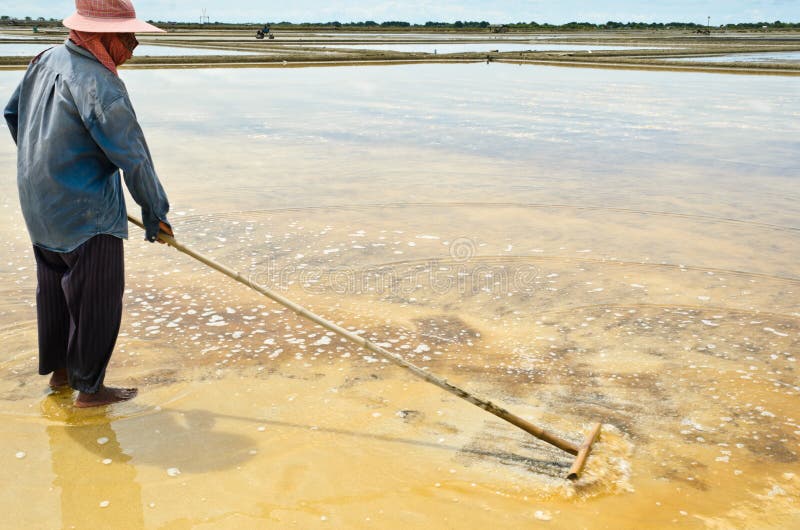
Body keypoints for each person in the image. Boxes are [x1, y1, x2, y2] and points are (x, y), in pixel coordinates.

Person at [4, 0, 173, 407]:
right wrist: (155, 213)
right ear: (99, 37)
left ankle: (61, 376)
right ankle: (91, 391)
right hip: (87, 215)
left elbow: (13, 114)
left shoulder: (44, 59)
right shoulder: (102, 85)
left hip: (40, 205)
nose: (133, 46)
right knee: (97, 298)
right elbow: (133, 157)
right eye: (127, 37)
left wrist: (44, 164)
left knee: (55, 290)